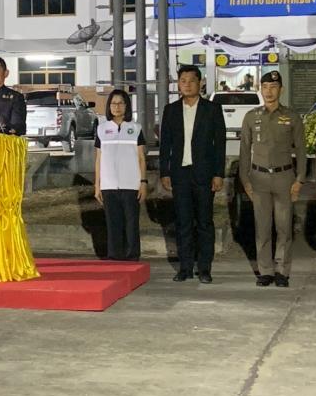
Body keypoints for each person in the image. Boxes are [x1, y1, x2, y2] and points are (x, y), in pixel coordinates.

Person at [239, 71, 307, 287]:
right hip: (258, 178)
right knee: (262, 227)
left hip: (284, 178)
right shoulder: (251, 116)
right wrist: (245, 179)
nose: (269, 91)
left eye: (273, 87)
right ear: (260, 89)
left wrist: (300, 179)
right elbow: (244, 150)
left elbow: (302, 151)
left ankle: (282, 271)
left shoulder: (292, 117)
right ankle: (265, 270)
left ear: (281, 90)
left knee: (284, 227)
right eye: (265, 87)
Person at [159, 65, 226, 283]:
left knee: (205, 222)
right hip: (180, 174)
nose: (187, 85)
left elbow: (220, 144)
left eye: (191, 80)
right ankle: (185, 267)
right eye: (183, 81)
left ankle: (204, 268)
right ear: (178, 84)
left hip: (204, 174)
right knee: (183, 222)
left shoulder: (212, 109)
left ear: (200, 83)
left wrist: (218, 174)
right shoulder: (171, 110)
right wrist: (165, 171)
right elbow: (165, 144)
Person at [94, 89, 147, 261]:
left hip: (131, 184)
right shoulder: (102, 129)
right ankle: (114, 257)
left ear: (127, 106)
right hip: (108, 185)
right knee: (113, 224)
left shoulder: (135, 128)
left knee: (131, 224)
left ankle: (132, 257)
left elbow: (141, 158)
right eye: (113, 103)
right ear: (109, 106)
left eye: (120, 103)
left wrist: (143, 182)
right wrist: (97, 185)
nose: (117, 107)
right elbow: (98, 159)